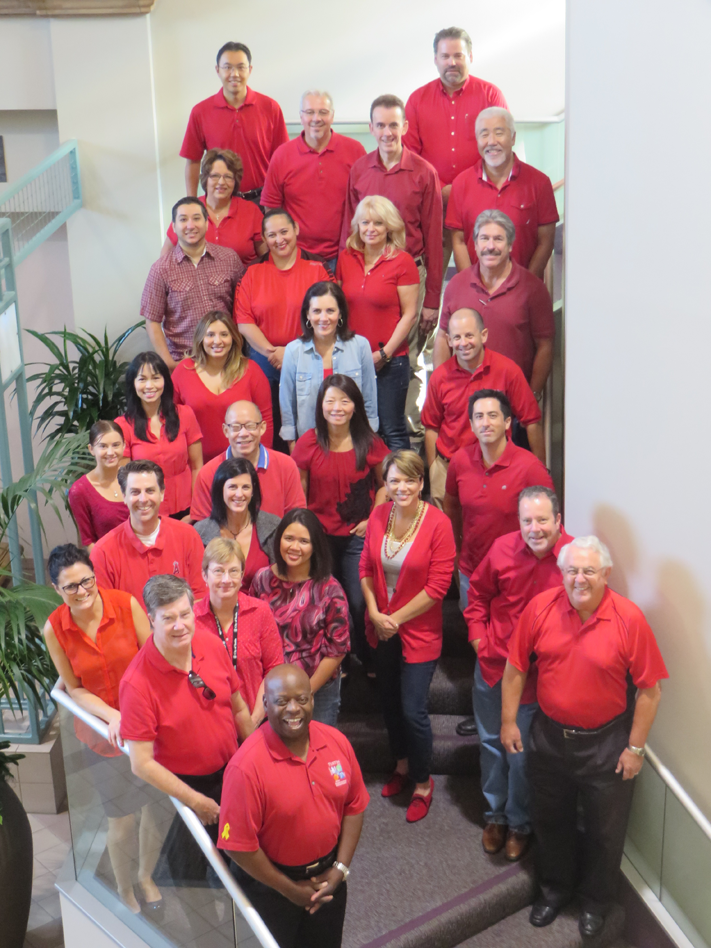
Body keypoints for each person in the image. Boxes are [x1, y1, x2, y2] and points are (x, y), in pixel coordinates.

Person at [502, 537, 668, 937]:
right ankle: (554, 891)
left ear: (606, 575)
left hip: (607, 746)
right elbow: (515, 669)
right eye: (572, 570)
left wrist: (635, 748)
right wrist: (508, 722)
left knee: (605, 833)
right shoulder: (540, 608)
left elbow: (650, 691)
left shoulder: (629, 619)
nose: (579, 579)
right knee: (551, 820)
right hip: (549, 738)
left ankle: (596, 902)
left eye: (589, 571)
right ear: (561, 573)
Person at [218, 664, 369, 948]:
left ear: (312, 700)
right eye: (281, 701)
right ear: (265, 704)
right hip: (270, 889)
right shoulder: (245, 767)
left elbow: (354, 806)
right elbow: (237, 847)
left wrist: (340, 869)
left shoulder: (337, 742)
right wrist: (290, 891)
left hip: (328, 881)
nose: (293, 709)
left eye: (302, 699)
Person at [43, 544, 156, 915]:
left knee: (153, 812)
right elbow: (73, 687)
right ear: (56, 589)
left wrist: (136, 715)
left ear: (95, 574)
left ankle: (146, 876)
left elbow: (152, 660)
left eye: (86, 580)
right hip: (102, 737)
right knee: (120, 822)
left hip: (147, 726)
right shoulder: (54, 628)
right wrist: (111, 716)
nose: (82, 591)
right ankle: (124, 888)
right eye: (70, 586)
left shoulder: (126, 605)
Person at [461, 487, 573, 859]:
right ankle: (496, 816)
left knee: (521, 754)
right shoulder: (501, 550)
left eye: (542, 520)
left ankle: (520, 822)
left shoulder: (574, 557)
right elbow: (476, 596)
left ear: (558, 520)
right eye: (527, 521)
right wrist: (479, 640)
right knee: (492, 744)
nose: (534, 529)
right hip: (494, 666)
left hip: (538, 679)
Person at [120, 575, 253, 880]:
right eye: (168, 618)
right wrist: (195, 801)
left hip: (230, 776)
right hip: (181, 793)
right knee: (189, 876)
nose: (180, 625)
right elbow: (141, 764)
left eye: (184, 614)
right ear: (151, 619)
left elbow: (238, 707)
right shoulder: (136, 684)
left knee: (240, 866)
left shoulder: (209, 643)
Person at [360, 450, 456, 822]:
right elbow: (365, 565)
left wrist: (394, 619)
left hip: (417, 630)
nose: (401, 487)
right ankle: (400, 765)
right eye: (393, 480)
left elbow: (438, 587)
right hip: (381, 626)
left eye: (409, 480)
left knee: (413, 710)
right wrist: (372, 611)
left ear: (421, 483)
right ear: (385, 483)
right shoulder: (379, 515)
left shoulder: (437, 523)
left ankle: (422, 782)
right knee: (388, 701)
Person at [342, 94, 443, 436]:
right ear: (371, 128)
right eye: (380, 125)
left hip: (409, 277)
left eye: (393, 125)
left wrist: (432, 301)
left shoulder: (424, 172)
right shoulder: (359, 170)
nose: (387, 132)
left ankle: (407, 438)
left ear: (405, 127)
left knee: (408, 360)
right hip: (366, 276)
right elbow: (349, 228)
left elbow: (433, 238)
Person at [292, 375, 388, 666]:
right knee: (328, 602)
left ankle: (368, 658)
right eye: (330, 401)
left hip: (357, 535)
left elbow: (385, 485)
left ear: (355, 406)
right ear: (320, 406)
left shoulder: (369, 442)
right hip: (319, 539)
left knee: (359, 601)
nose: (337, 407)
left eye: (344, 401)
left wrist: (372, 519)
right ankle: (337, 663)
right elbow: (300, 491)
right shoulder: (308, 442)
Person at [422, 308, 543, 509]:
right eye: (457, 337)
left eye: (469, 335)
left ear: (483, 335)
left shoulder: (507, 370)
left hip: (497, 468)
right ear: (449, 341)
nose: (463, 343)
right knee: (447, 536)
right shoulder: (439, 377)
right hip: (448, 467)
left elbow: (531, 421)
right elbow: (430, 427)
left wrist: (540, 469)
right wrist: (434, 468)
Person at [444, 390, 553, 611]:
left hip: (516, 574)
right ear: (472, 425)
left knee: (513, 641)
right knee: (474, 638)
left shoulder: (530, 467)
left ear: (507, 423)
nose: (485, 423)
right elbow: (451, 506)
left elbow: (550, 524)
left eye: (493, 415)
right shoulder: (459, 461)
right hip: (471, 571)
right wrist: (457, 552)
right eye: (479, 417)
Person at [234, 208, 334, 450]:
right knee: (269, 424)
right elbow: (244, 321)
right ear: (264, 239)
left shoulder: (317, 267)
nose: (279, 240)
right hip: (265, 358)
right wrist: (273, 352)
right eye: (271, 235)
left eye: (284, 232)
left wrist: (290, 351)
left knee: (310, 424)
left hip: (310, 353)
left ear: (296, 230)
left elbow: (328, 316)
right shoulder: (252, 272)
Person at [434, 211, 555, 399]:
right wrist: (441, 388)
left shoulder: (533, 288)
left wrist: (532, 394)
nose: (490, 246)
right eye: (484, 238)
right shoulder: (456, 285)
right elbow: (443, 338)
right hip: (462, 401)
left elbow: (545, 346)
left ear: (510, 245)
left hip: (513, 403)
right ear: (475, 244)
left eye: (498, 239)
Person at [250, 509, 350, 725]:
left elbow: (338, 650)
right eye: (289, 538)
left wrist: (304, 694)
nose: (294, 547)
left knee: (316, 752)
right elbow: (252, 631)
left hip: (316, 688)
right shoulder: (262, 579)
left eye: (304, 541)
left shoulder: (329, 589)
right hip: (269, 687)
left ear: (315, 546)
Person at [337, 196, 419, 450]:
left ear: (390, 227)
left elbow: (409, 314)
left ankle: (404, 486)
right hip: (351, 358)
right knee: (356, 428)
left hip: (390, 360)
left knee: (391, 428)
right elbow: (338, 308)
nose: (370, 229)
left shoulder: (403, 262)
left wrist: (385, 353)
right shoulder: (345, 258)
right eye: (365, 222)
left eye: (378, 223)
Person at [447, 108, 559, 278]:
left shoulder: (540, 183)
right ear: (477, 140)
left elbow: (546, 241)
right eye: (484, 134)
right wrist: (470, 286)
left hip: (524, 292)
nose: (492, 141)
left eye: (499, 133)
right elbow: (459, 241)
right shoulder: (461, 184)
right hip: (476, 294)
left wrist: (525, 286)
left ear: (513, 137)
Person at [262, 91, 366, 270]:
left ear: (332, 116)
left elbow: (365, 203)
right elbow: (271, 208)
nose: (316, 118)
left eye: (323, 112)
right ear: (301, 116)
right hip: (297, 257)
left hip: (344, 255)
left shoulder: (355, 151)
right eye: (309, 112)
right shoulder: (282, 155)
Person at [404, 27, 508, 204]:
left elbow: (501, 147)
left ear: (471, 57)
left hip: (482, 198)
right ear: (436, 60)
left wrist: (471, 186)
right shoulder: (417, 100)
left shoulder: (490, 95)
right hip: (431, 199)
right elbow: (408, 156)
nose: (451, 62)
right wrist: (439, 188)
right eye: (445, 56)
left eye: (458, 55)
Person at [141, 196, 245, 370]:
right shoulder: (160, 269)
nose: (191, 225)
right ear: (173, 227)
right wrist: (168, 363)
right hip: (185, 362)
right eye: (183, 220)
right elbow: (152, 320)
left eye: (197, 218)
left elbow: (244, 307)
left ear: (206, 222)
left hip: (228, 359)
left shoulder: (229, 259)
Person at [180, 42, 288, 202]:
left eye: (241, 67)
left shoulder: (270, 108)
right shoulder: (200, 112)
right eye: (227, 67)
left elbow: (282, 160)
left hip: (262, 200)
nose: (234, 74)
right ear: (217, 70)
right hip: (218, 200)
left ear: (250, 70)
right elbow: (193, 161)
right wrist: (192, 202)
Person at [91, 460, 207, 610]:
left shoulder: (188, 536)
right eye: (135, 492)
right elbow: (106, 612)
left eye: (150, 491)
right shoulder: (103, 551)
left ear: (162, 494)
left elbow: (200, 598)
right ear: (124, 496)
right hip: (130, 633)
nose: (143, 499)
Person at [195, 537, 283, 725]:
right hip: (208, 725)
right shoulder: (191, 620)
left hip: (256, 722)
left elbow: (274, 669)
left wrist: (254, 720)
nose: (226, 580)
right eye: (218, 571)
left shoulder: (260, 612)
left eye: (233, 571)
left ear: (242, 575)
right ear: (204, 575)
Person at [280, 282, 378, 446]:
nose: (323, 318)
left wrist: (369, 440)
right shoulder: (292, 351)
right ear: (308, 315)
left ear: (340, 314)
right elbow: (287, 406)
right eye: (317, 311)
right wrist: (292, 445)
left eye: (330, 311)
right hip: (310, 445)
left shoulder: (361, 346)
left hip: (353, 442)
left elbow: (369, 399)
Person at [172, 311, 273, 461]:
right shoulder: (183, 371)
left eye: (224, 334)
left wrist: (260, 461)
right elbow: (171, 419)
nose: (217, 341)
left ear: (233, 337)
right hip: (196, 465)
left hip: (242, 463)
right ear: (200, 338)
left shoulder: (252, 370)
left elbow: (266, 420)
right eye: (210, 335)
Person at [116, 352, 203, 520]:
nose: (150, 386)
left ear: (165, 381)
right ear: (133, 384)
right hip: (146, 510)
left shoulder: (185, 414)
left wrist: (195, 510)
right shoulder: (122, 425)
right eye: (142, 379)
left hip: (187, 507)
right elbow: (125, 478)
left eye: (156, 378)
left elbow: (197, 466)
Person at [190, 400, 305, 522]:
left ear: (262, 428)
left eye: (250, 426)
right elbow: (202, 529)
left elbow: (295, 520)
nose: (243, 433)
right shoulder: (208, 473)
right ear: (225, 431)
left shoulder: (286, 466)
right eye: (235, 427)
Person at [162, 149, 266, 266]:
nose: (221, 182)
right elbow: (164, 259)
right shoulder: (188, 210)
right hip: (196, 282)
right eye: (215, 176)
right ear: (206, 179)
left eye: (228, 176)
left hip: (243, 282)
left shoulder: (251, 211)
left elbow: (266, 257)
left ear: (235, 181)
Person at [193, 457, 279, 591]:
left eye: (245, 487)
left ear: (252, 490)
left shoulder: (273, 526)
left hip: (263, 607)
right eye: (232, 487)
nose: (239, 494)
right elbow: (197, 585)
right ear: (221, 490)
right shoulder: (199, 532)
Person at [68, 420, 129, 549]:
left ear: (124, 446)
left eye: (116, 445)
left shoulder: (135, 479)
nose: (110, 452)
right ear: (91, 449)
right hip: (109, 562)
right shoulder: (80, 490)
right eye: (103, 446)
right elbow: (88, 542)